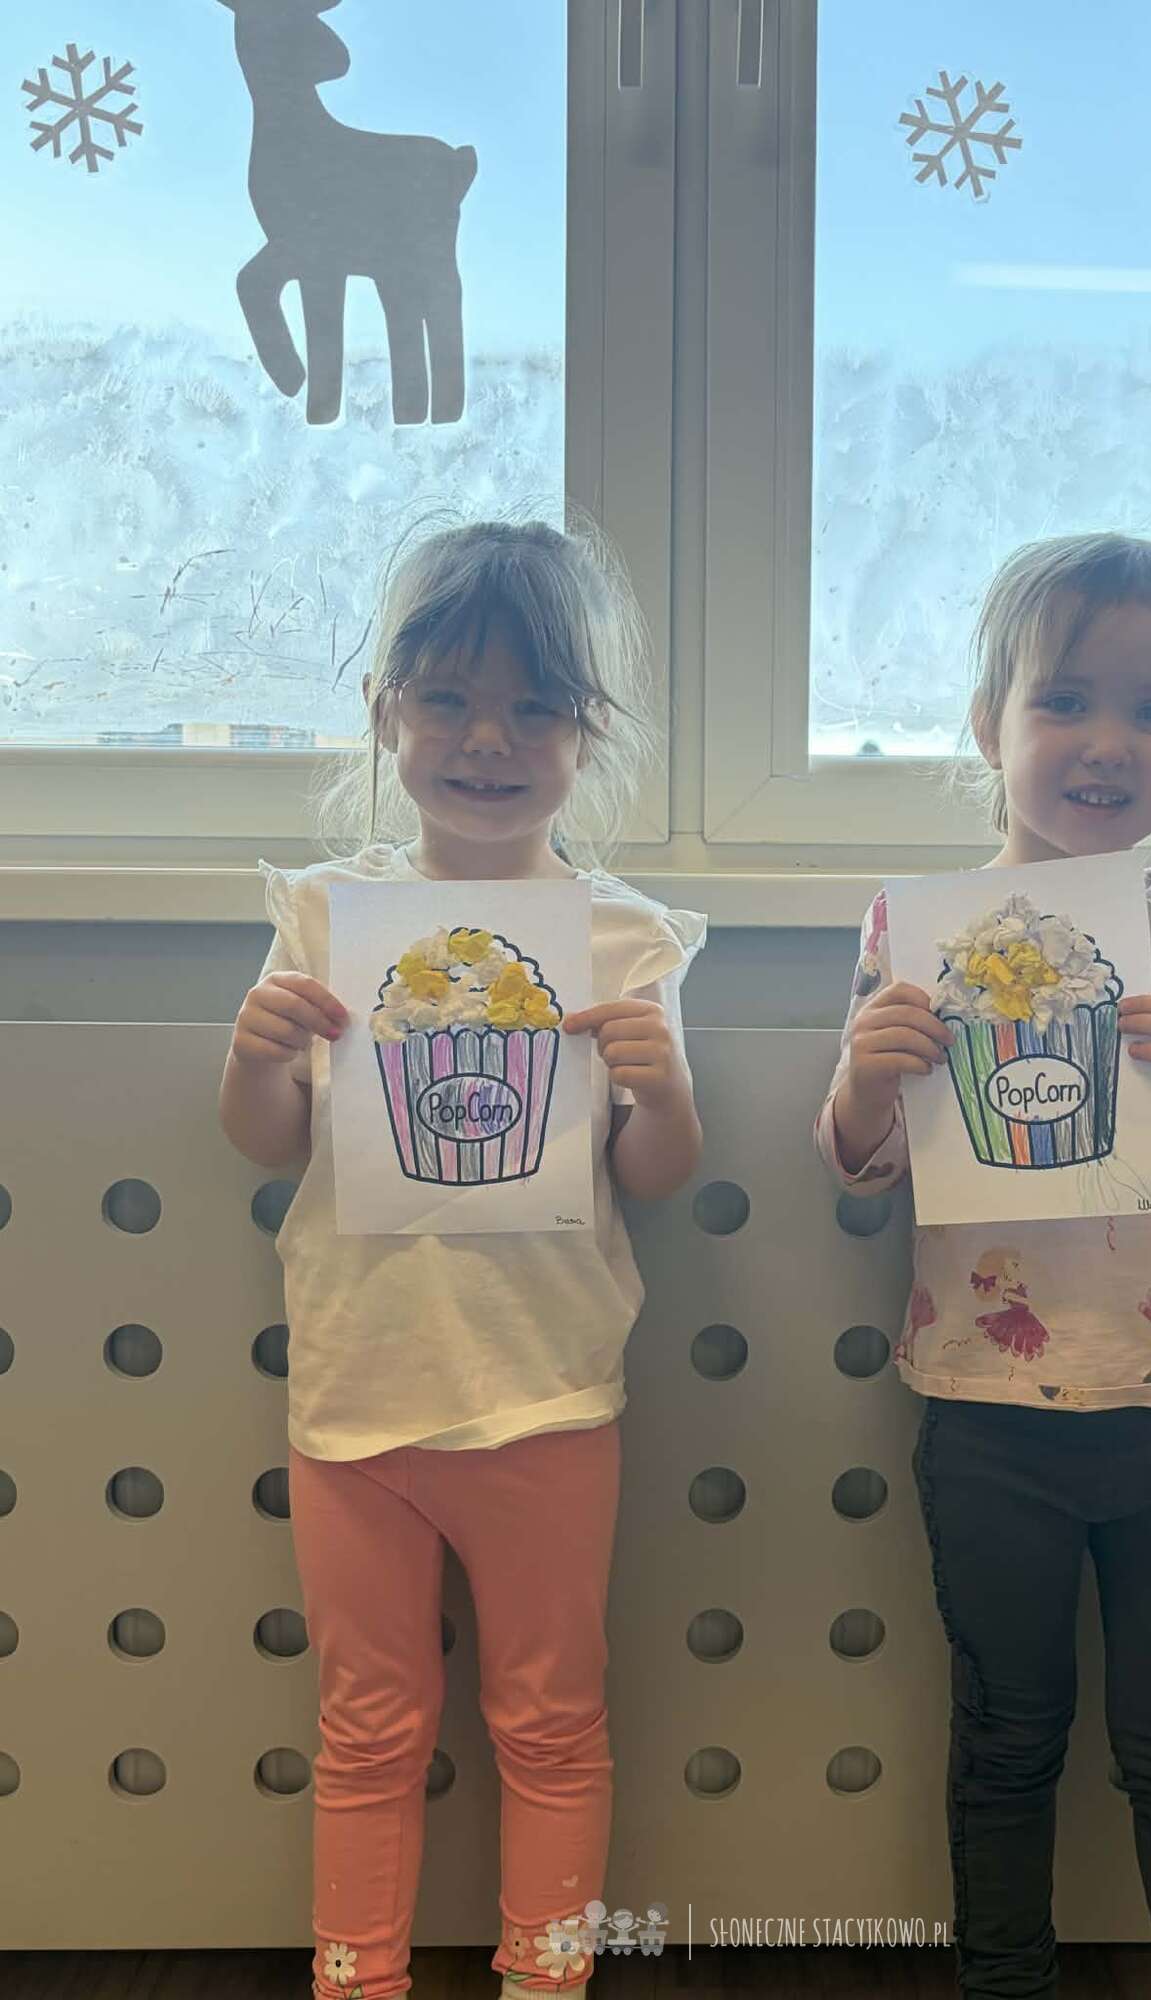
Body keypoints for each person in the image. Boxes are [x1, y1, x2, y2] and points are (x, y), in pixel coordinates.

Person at [817, 533, 1151, 2000]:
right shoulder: (916, 932)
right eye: (1066, 700)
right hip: (989, 1416)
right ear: (991, 723)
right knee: (1005, 1738)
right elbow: (860, 1165)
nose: (1111, 741)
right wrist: (867, 1074)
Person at [221, 519, 705, 1997]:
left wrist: (666, 1093)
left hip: (546, 1393)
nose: (488, 739)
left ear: (586, 733)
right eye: (447, 700)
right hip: (360, 1398)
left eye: (534, 707)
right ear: (387, 712)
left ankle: (546, 1978)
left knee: (551, 1722)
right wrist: (252, 1057)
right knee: (368, 1726)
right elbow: (268, 1143)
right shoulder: (325, 916)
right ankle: (356, 1978)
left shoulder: (620, 939)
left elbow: (654, 1177)